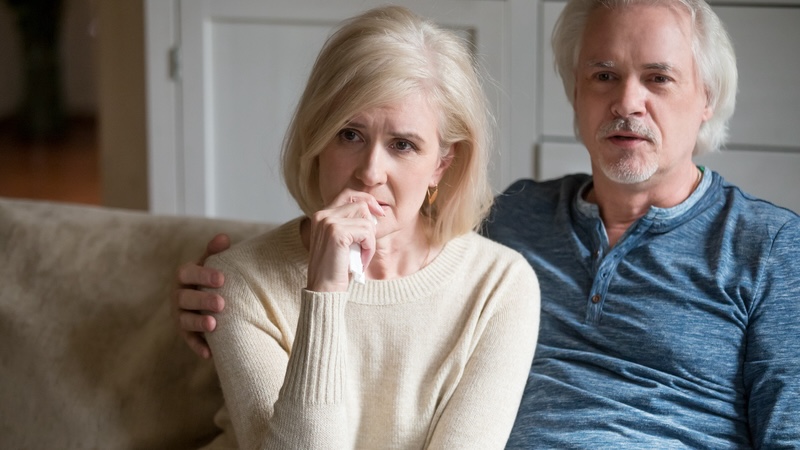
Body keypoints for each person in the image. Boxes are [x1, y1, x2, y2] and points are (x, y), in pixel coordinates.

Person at [176, 0, 800, 447]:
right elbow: (385, 242)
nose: (627, 101)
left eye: (658, 78)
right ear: (575, 93)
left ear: (707, 97)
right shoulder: (514, 217)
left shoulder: (771, 248)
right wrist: (225, 288)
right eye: (603, 76)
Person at [179, 5, 541, 449]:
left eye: (403, 145)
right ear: (317, 140)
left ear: (441, 165)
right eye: (350, 134)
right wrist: (324, 295)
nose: (370, 172)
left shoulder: (500, 286)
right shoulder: (239, 282)